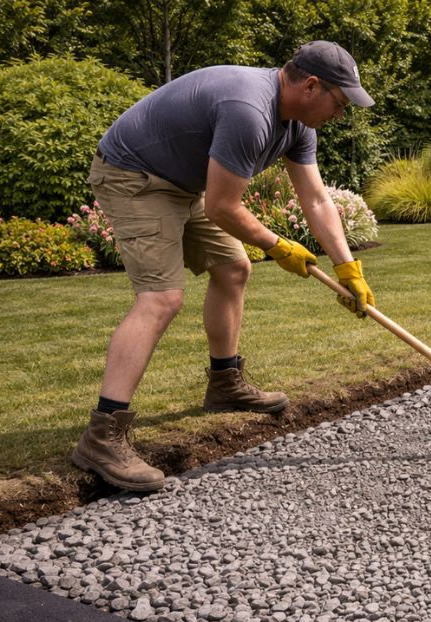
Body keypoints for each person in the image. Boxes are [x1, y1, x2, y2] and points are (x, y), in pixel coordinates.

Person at [72, 41, 377, 493]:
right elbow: (221, 205)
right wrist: (279, 246)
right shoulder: (248, 110)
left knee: (234, 268)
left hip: (183, 183)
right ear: (311, 85)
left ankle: (224, 383)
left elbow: (314, 198)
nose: (341, 113)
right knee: (161, 298)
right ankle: (102, 434)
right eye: (340, 101)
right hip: (134, 176)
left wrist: (349, 267)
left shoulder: (297, 125)